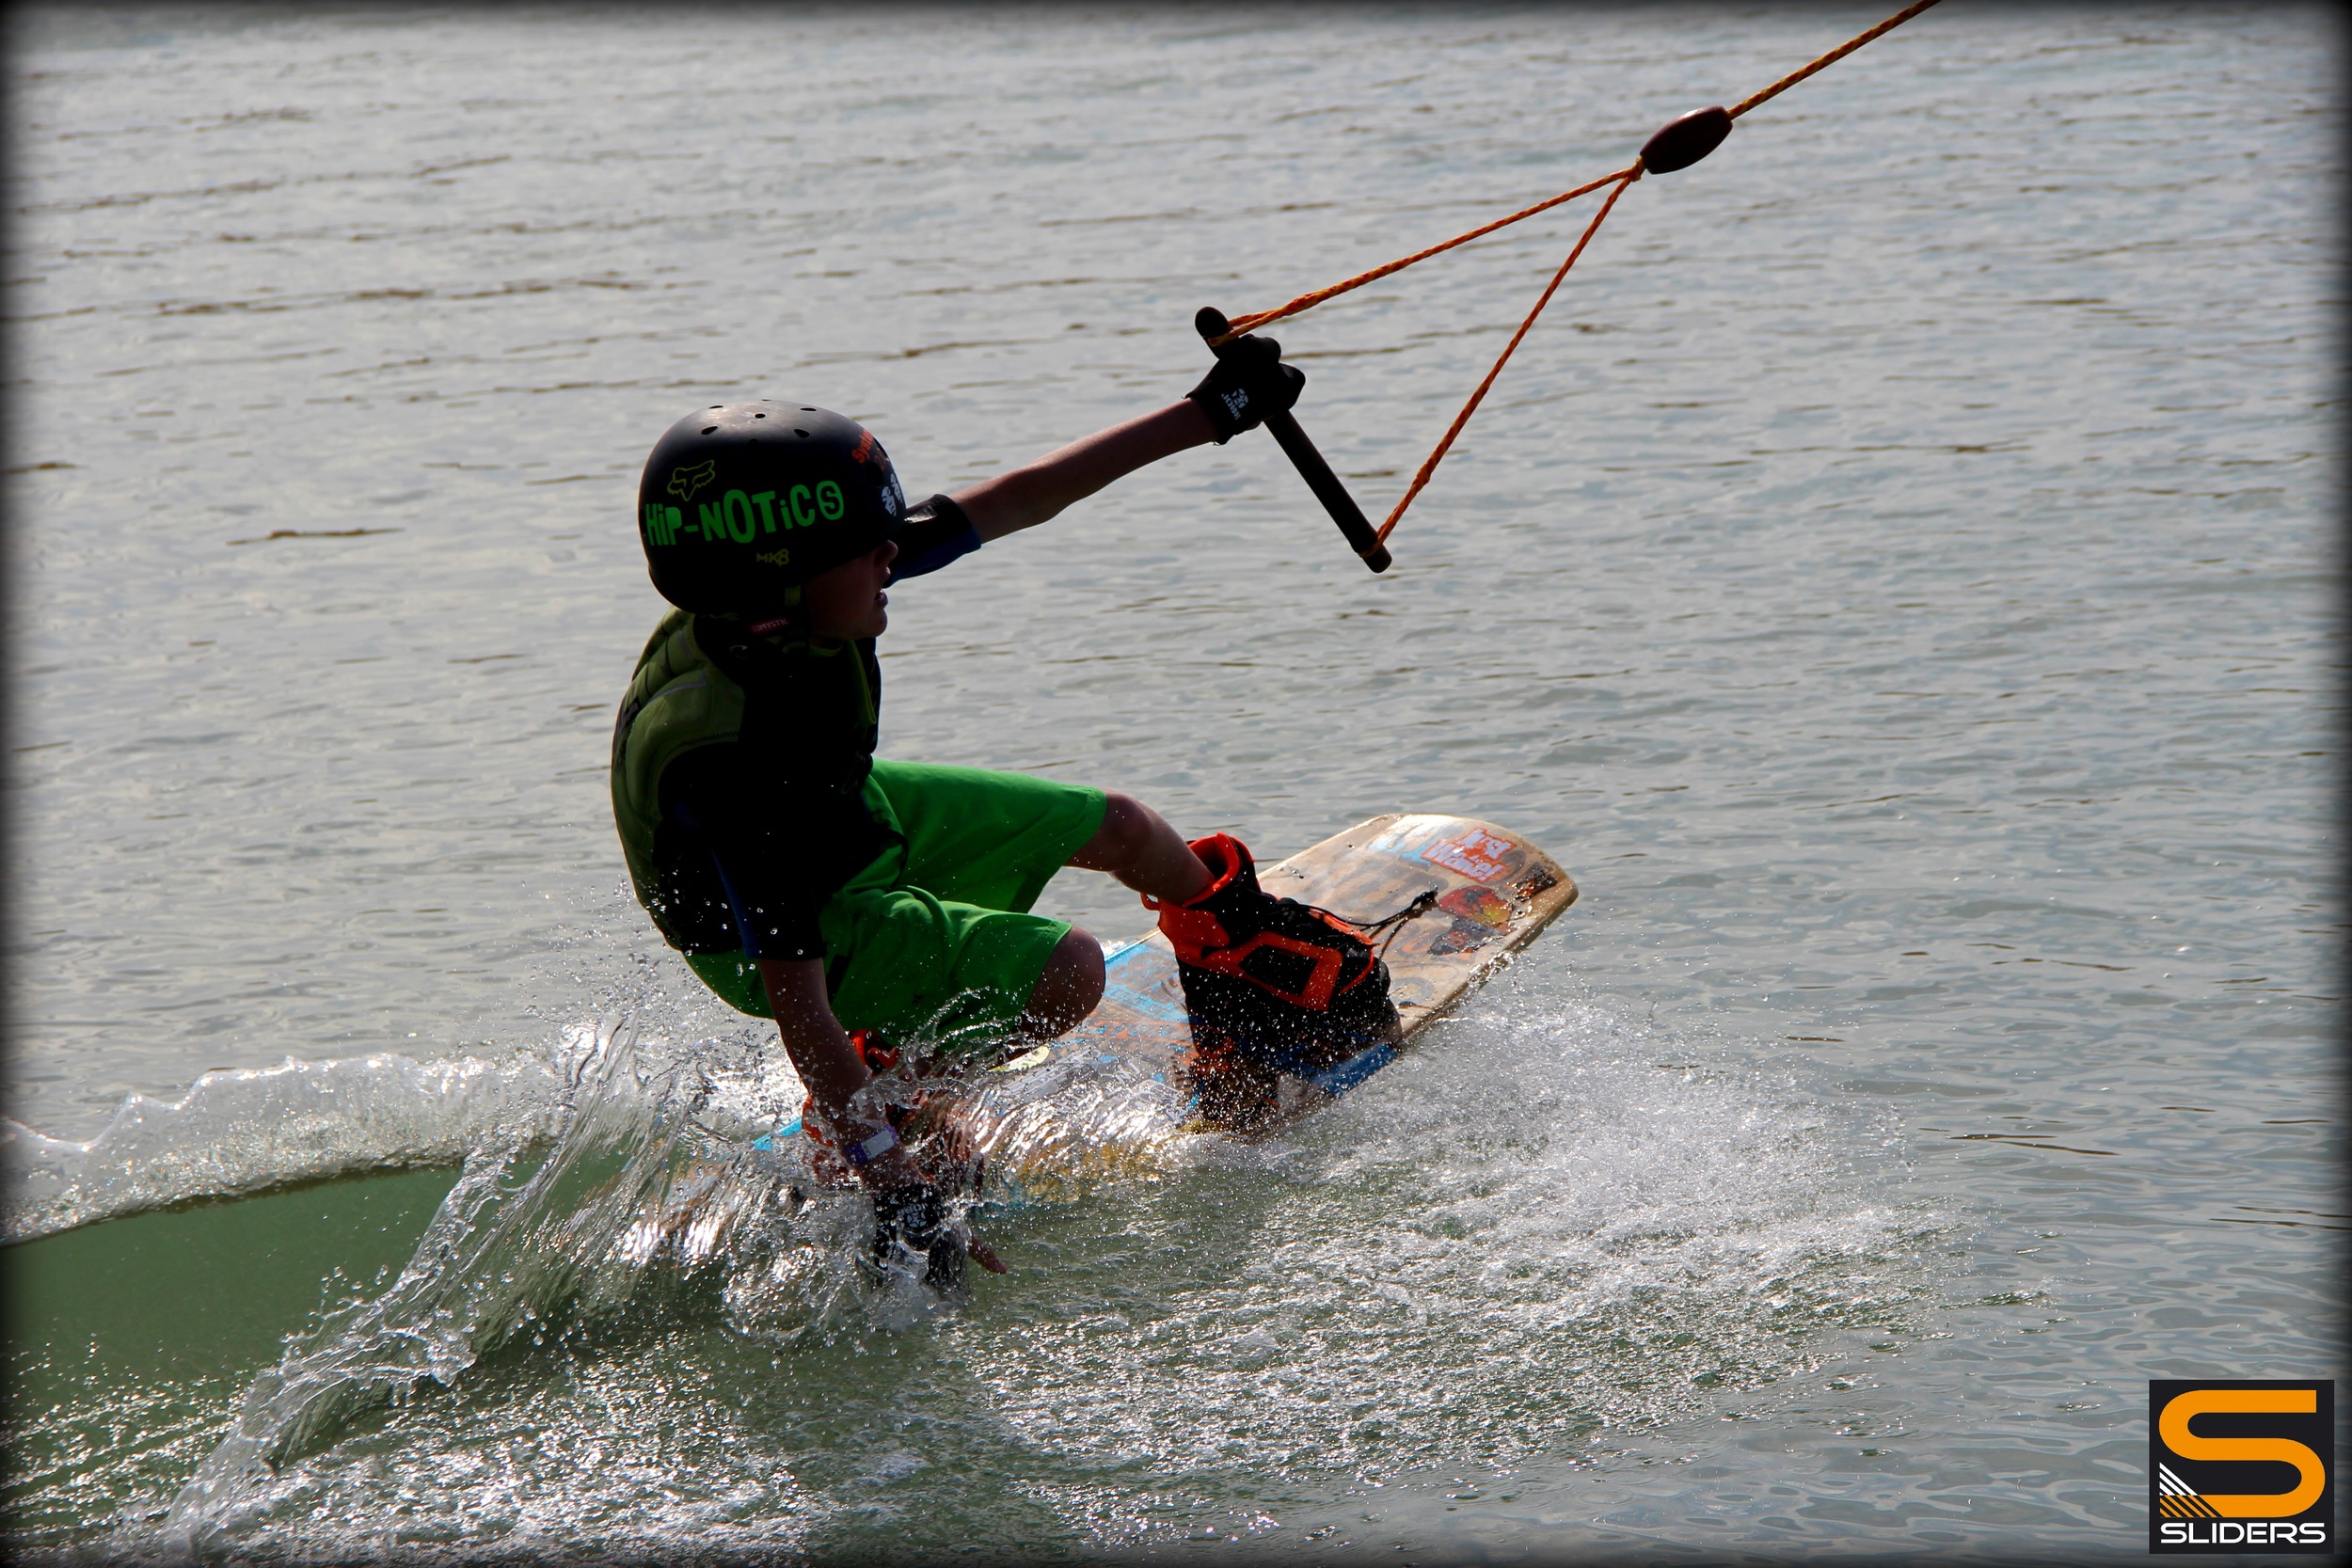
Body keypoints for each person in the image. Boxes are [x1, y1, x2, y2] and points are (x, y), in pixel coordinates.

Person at [609, 336, 1397, 1292]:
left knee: (1118, 824)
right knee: (1065, 972)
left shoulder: (787, 602)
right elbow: (796, 1003)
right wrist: (889, 1174)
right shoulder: (743, 768)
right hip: (771, 913)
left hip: (840, 811)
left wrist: (1211, 412)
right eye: (873, 552)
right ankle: (898, 1086)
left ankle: (1238, 964)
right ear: (780, 587)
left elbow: (1023, 494)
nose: (896, 557)